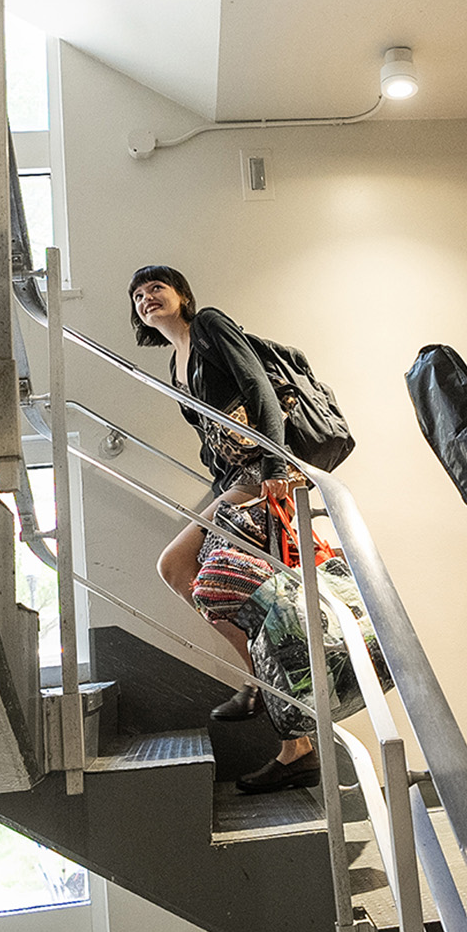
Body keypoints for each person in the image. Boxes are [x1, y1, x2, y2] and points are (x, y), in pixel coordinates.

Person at [129, 265, 317, 794]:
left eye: (156, 289)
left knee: (180, 566)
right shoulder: (175, 362)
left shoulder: (208, 325)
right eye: (138, 296)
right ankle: (284, 721)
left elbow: (258, 388)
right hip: (235, 478)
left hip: (264, 472)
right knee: (205, 578)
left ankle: (269, 692)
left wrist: (278, 469)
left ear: (182, 295)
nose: (147, 299)